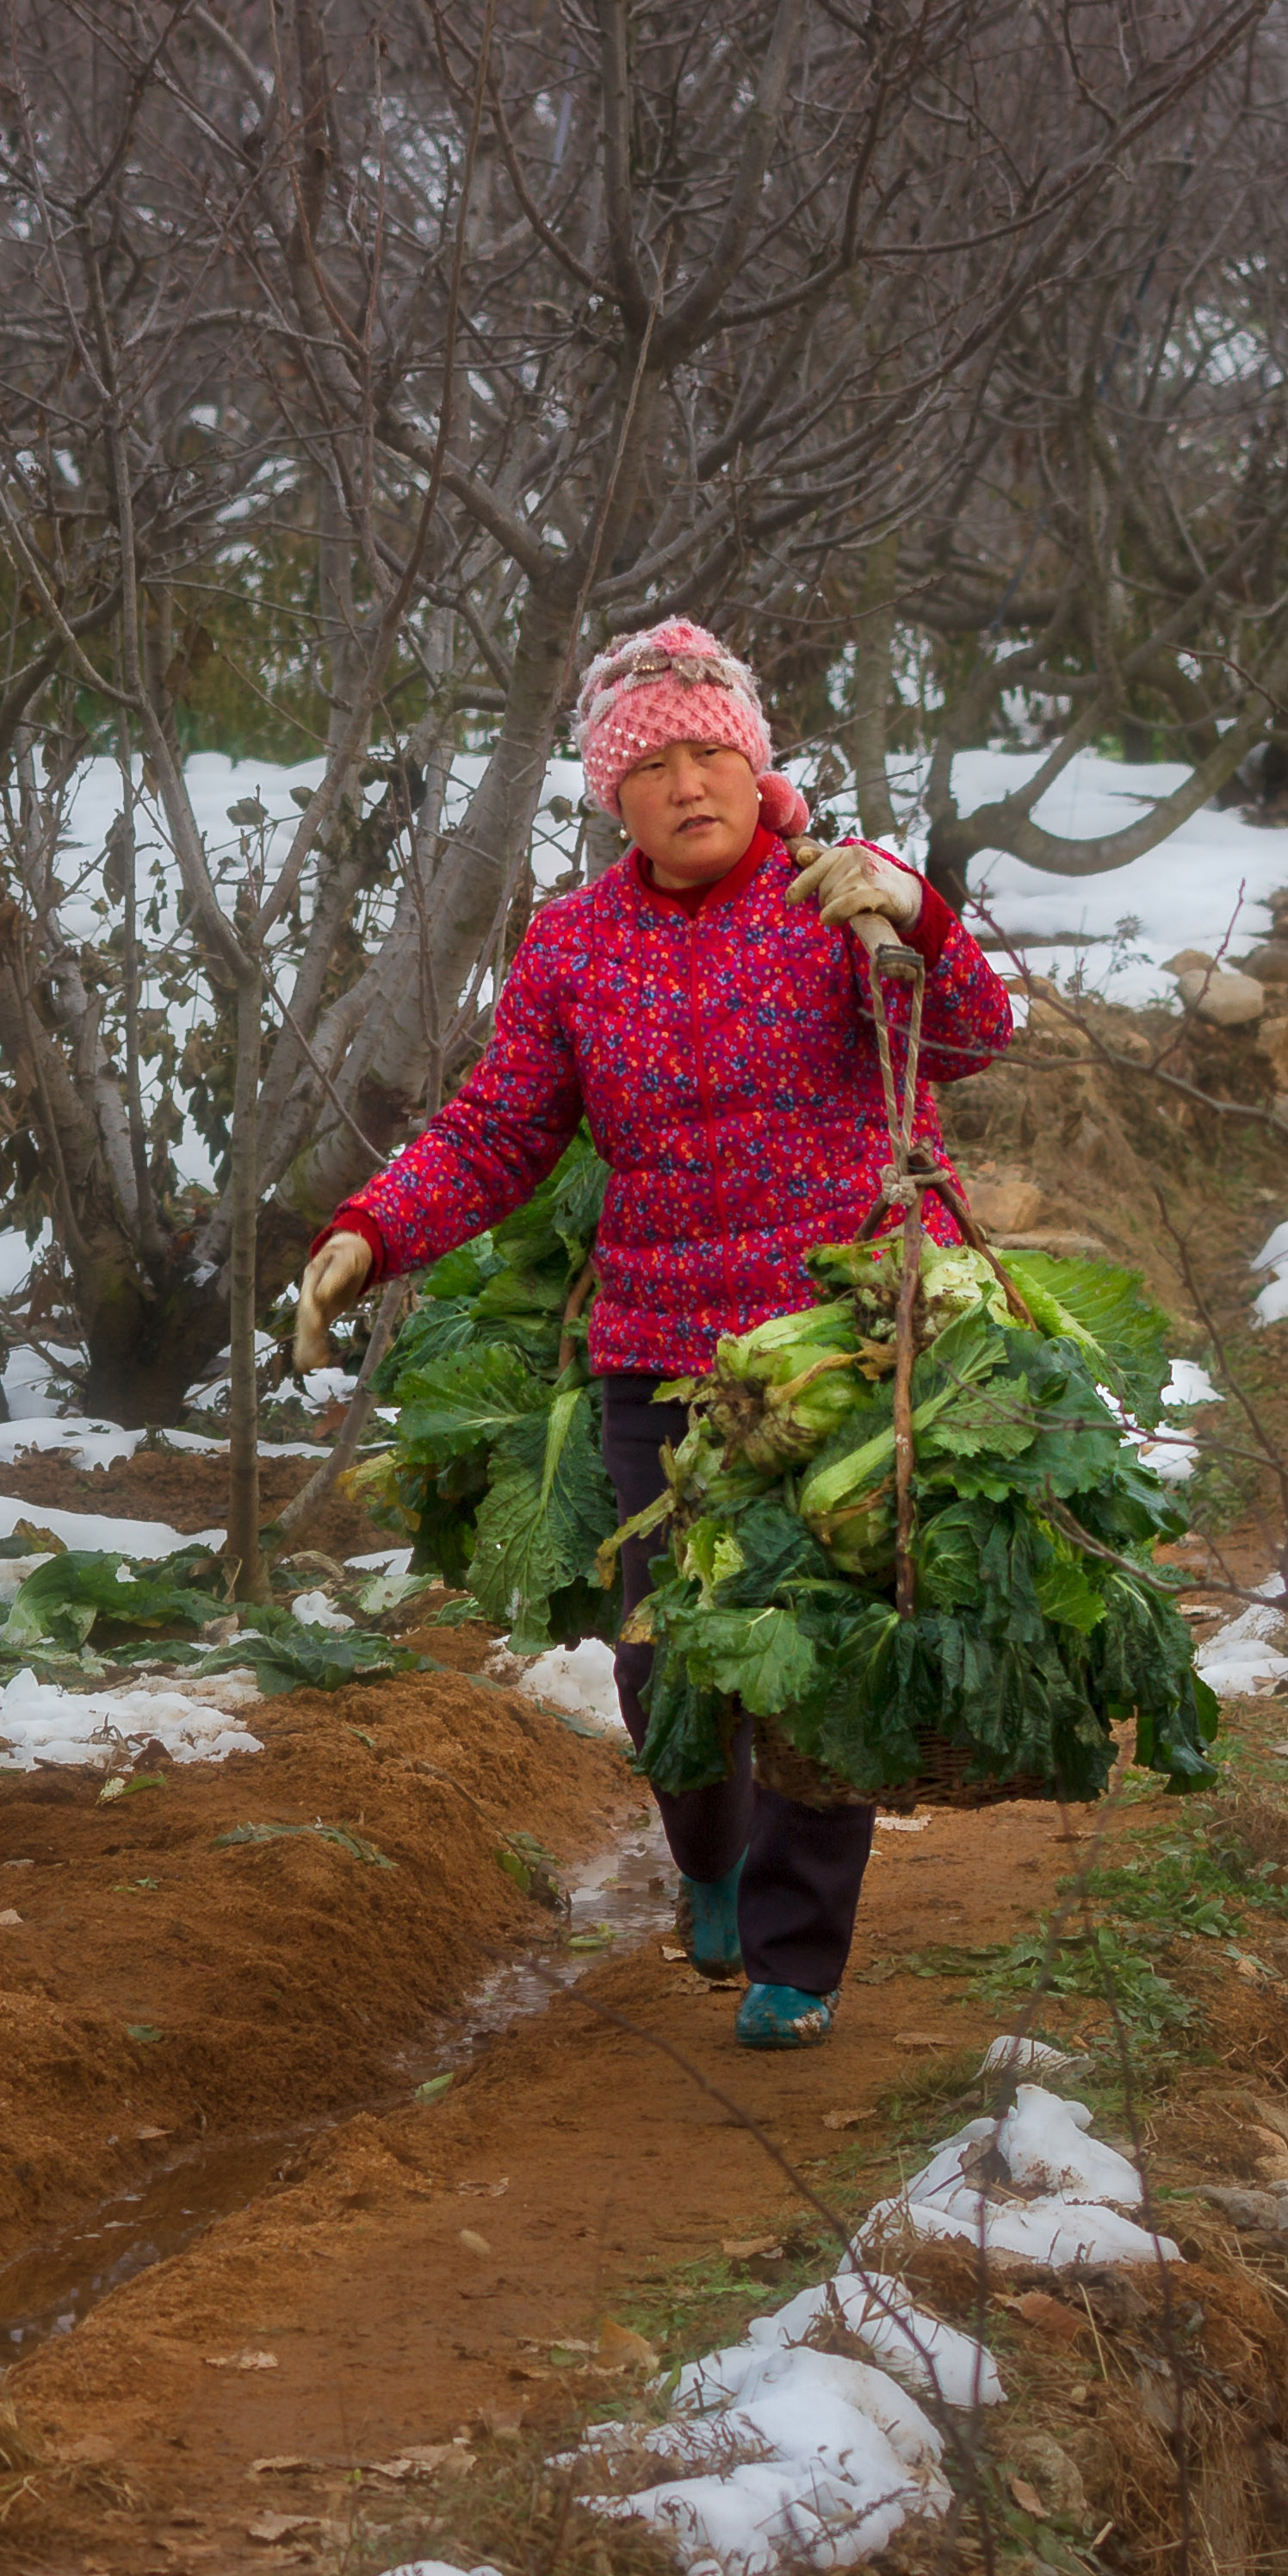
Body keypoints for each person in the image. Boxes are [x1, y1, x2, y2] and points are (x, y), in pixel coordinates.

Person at [294, 621, 1012, 2050]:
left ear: (758, 766)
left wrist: (919, 915)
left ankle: (798, 1960)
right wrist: (370, 1231)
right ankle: (711, 1858)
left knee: (815, 1645)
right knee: (661, 1652)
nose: (693, 782)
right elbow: (502, 1131)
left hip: (842, 1341)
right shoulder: (573, 946)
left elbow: (977, 1033)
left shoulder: (839, 901)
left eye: (715, 753)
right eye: (657, 764)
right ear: (609, 799)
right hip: (662, 1342)